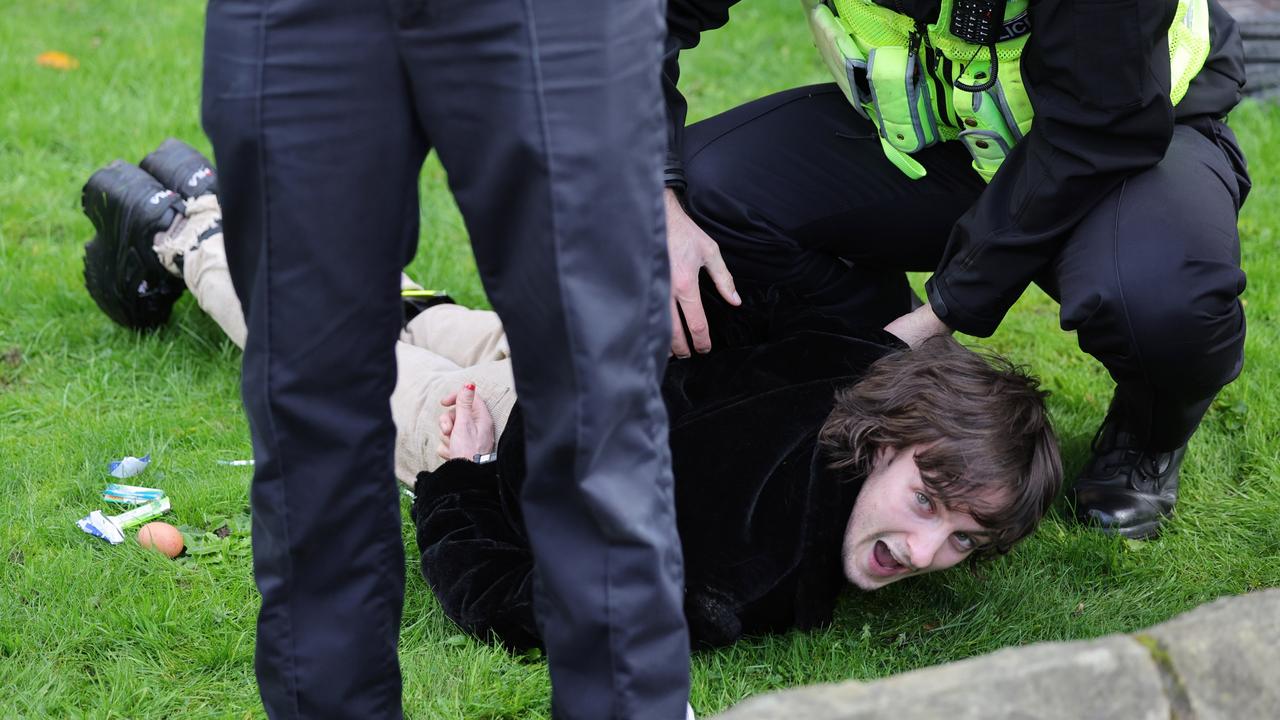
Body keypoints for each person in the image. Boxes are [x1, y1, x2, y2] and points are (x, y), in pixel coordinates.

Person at [80, 163, 1063, 657]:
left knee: (386, 329)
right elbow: (512, 605)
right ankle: (189, 226)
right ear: (886, 438)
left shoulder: (850, 390)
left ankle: (222, 207)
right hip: (521, 395)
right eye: (929, 502)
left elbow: (518, 606)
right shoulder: (751, 560)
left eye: (964, 543)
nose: (927, 556)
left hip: (517, 402)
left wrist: (458, 482)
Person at [82, 71, 687, 718]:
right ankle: (193, 229)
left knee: (420, 336)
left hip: (630, 366)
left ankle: (219, 219)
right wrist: (474, 475)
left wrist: (471, 475)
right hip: (587, 416)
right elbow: (535, 598)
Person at [658, 0, 1251, 540]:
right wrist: (656, 192)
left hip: (1125, 139)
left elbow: (1099, 126)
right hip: (944, 136)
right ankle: (863, 357)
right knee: (709, 193)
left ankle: (1145, 436)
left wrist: (943, 310)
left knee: (1162, 305)